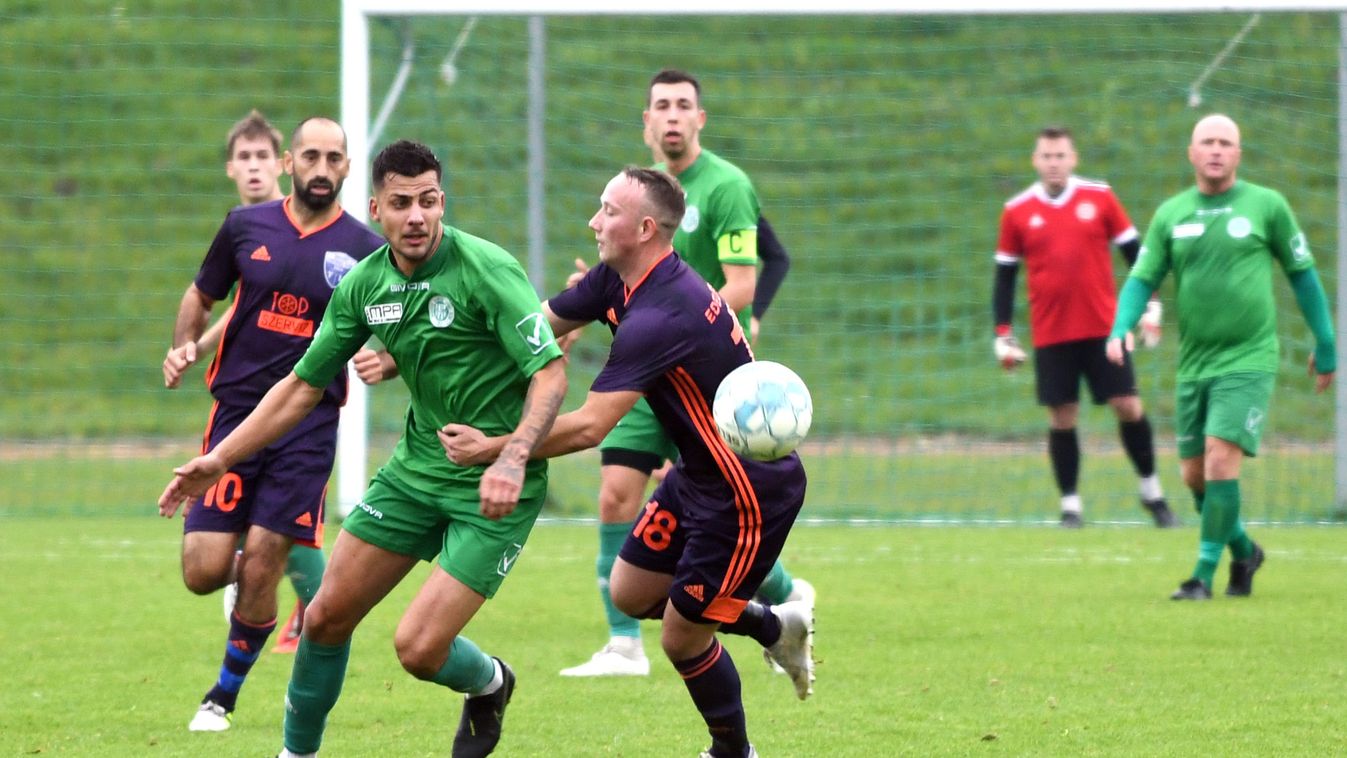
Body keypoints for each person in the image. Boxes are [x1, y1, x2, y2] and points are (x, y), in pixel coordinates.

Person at [160, 138, 568, 758]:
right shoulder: (363, 285)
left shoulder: (487, 268)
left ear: (442, 202)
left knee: (418, 650)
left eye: (428, 201)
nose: (417, 217)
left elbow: (550, 373)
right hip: (414, 472)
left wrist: (511, 456)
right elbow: (301, 386)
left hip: (495, 484)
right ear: (376, 208)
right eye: (401, 203)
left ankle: (490, 682)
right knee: (324, 618)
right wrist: (219, 458)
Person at [440, 166, 814, 758]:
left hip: (748, 492)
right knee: (632, 590)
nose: (594, 221)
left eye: (607, 211)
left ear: (643, 228)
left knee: (683, 637)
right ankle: (772, 625)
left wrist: (496, 449)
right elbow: (537, 326)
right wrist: (424, 349)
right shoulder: (616, 281)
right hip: (698, 472)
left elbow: (590, 426)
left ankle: (733, 751)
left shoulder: (661, 315)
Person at [558, 68, 813, 679]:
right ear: (645, 121)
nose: (671, 116)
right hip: (641, 373)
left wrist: (690, 329)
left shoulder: (726, 187)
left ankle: (779, 596)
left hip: (709, 385)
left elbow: (745, 283)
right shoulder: (631, 199)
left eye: (683, 106)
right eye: (660, 106)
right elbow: (570, 310)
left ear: (700, 119)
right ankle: (623, 644)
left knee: (715, 504)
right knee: (617, 493)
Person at [160, 116, 386, 732]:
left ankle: (222, 695)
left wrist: (385, 359)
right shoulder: (245, 228)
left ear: (346, 167)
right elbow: (202, 294)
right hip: (234, 416)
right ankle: (249, 594)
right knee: (204, 573)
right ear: (291, 163)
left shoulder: (367, 250)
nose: (320, 168)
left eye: (332, 158)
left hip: (306, 428)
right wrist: (184, 344)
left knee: (263, 558)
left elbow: (399, 328)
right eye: (309, 156)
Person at [1107, 113, 1335, 600]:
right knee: (1193, 474)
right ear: (1191, 153)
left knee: (1219, 462)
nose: (1216, 150)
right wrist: (1120, 327)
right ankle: (1245, 549)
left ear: (1238, 154)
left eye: (1225, 143)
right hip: (1195, 363)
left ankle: (1201, 576)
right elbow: (1142, 278)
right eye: (1207, 142)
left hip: (1249, 358)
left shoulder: (1267, 206)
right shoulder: (1172, 214)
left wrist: (1326, 340)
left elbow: (1302, 274)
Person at [168, 109, 329, 659]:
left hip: (301, 411)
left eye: (264, 157)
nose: (256, 167)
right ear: (231, 168)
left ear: (281, 166)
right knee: (219, 556)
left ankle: (312, 605)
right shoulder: (243, 227)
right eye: (246, 158)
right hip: (238, 405)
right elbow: (236, 305)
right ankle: (279, 588)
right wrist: (191, 347)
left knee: (278, 524)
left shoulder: (316, 229)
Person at [993, 125, 1176, 529]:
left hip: (1105, 329)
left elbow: (1137, 255)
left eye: (1061, 155)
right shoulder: (1017, 211)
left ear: (1073, 159)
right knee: (1062, 416)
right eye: (1046, 156)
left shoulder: (1100, 197)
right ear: (1035, 161)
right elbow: (1005, 276)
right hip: (1051, 333)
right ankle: (1071, 506)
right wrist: (1003, 334)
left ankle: (1153, 493)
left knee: (1128, 405)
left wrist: (1152, 303)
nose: (1054, 163)